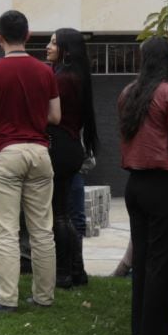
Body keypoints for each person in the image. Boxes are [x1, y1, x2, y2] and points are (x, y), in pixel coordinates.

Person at [0, 11, 62, 311]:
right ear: (29, 35)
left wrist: (0, 111)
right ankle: (44, 296)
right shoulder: (46, 72)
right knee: (42, 230)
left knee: (6, 231)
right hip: (39, 153)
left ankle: (7, 300)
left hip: (4, 154)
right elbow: (55, 116)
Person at [117, 38, 168, 335]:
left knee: (144, 258)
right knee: (161, 261)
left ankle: (144, 331)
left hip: (134, 184)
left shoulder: (128, 93)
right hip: (162, 183)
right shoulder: (167, 92)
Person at [45, 28, 96, 293]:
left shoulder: (63, 80)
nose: (48, 47)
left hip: (60, 147)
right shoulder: (75, 76)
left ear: (66, 49)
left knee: (59, 215)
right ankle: (76, 270)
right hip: (70, 147)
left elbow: (50, 115)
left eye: (54, 43)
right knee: (64, 213)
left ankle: (64, 273)